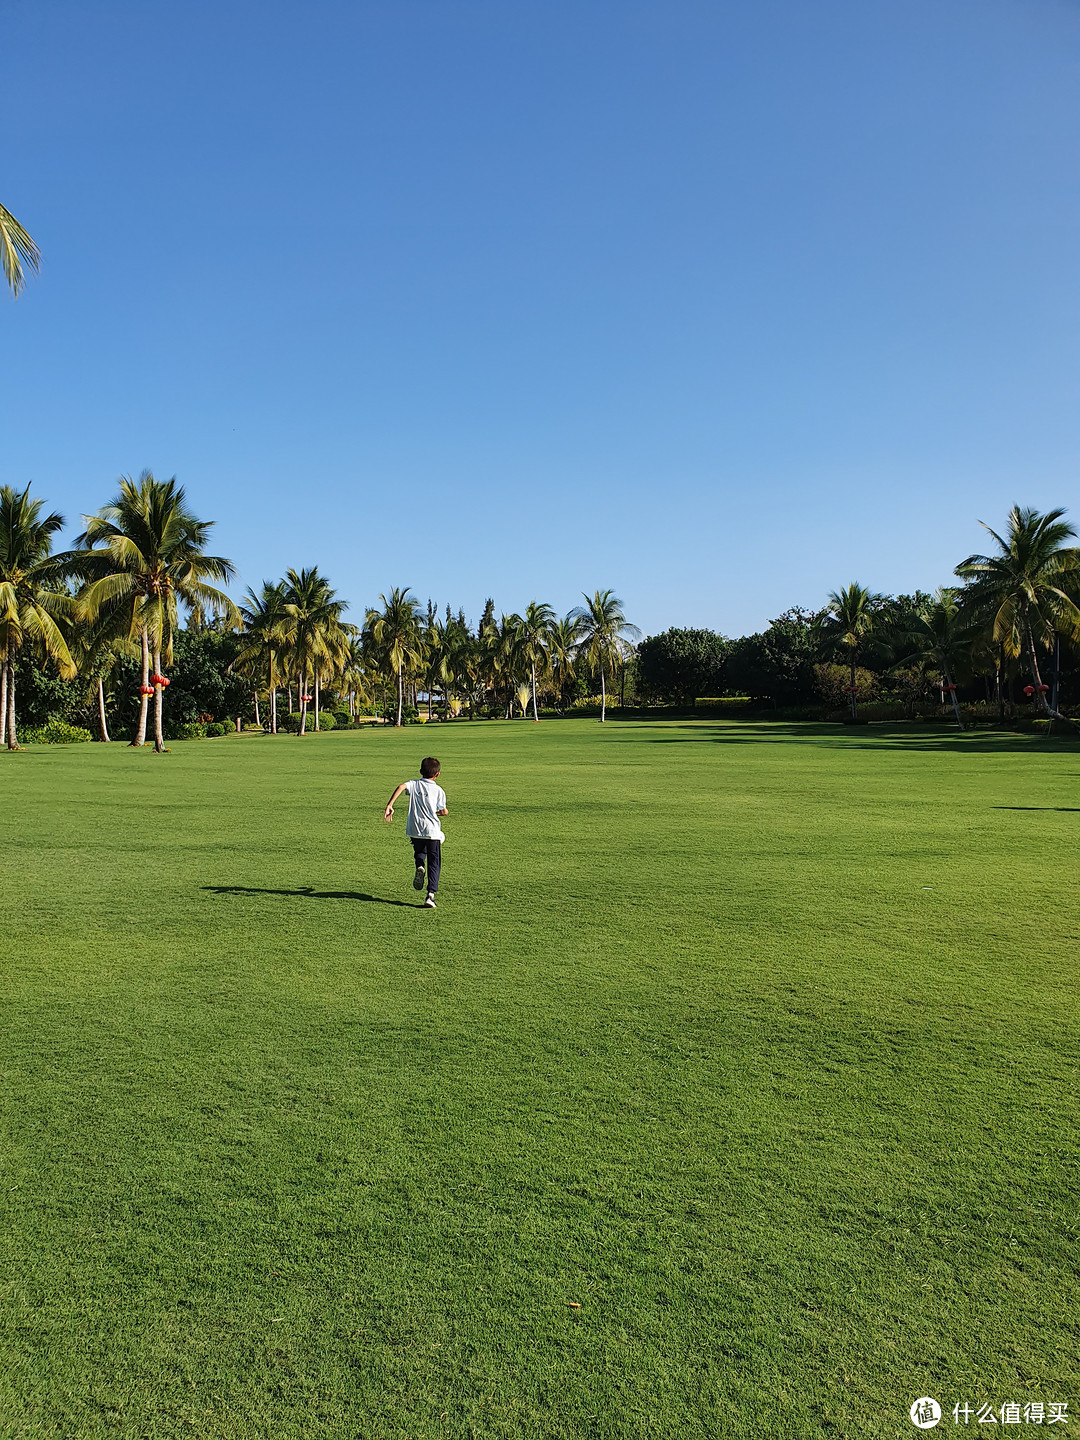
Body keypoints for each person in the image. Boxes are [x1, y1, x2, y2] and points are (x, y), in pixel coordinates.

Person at [384, 757, 448, 908]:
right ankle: (430, 895)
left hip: (415, 829)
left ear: (420, 771)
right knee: (434, 862)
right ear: (437, 774)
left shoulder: (414, 784)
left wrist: (390, 805)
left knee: (419, 852)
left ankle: (420, 865)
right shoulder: (438, 790)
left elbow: (401, 786)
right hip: (432, 830)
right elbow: (444, 811)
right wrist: (440, 812)